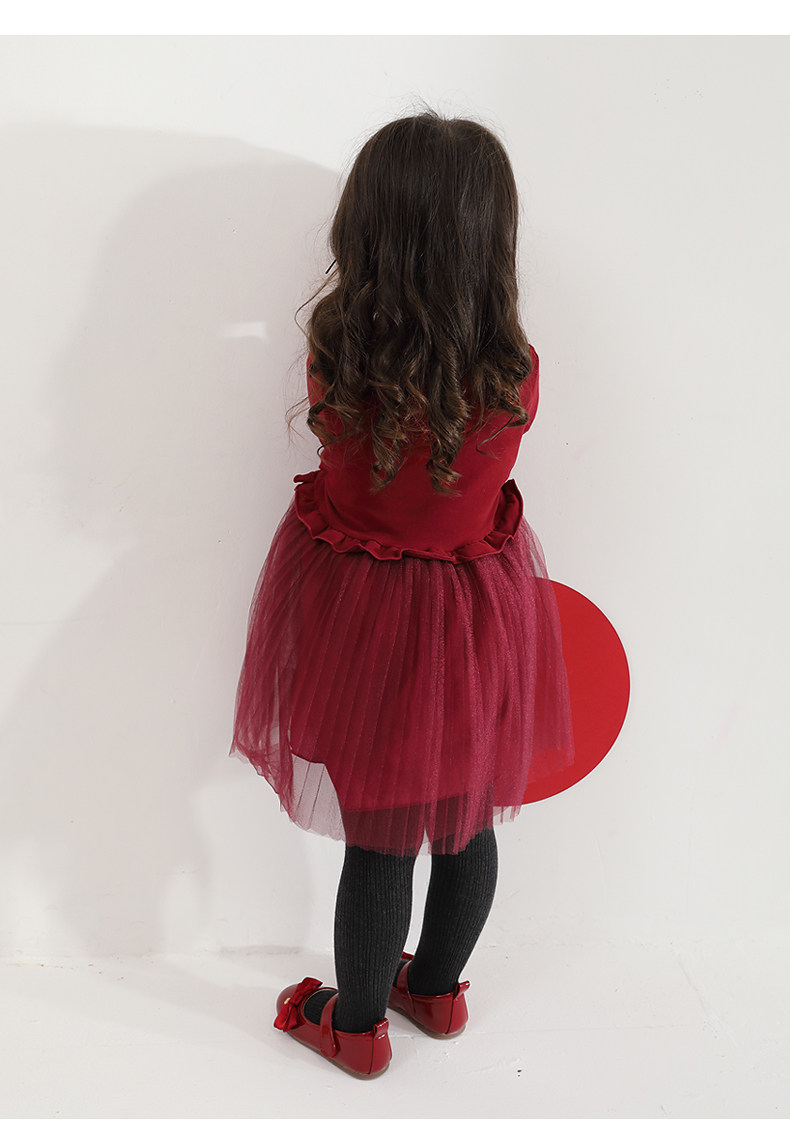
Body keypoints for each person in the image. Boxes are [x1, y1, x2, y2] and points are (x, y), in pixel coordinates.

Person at [227, 106, 575, 1079]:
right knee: (464, 818)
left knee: (381, 835)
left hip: (366, 617)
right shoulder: (514, 369)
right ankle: (439, 989)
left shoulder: (338, 352)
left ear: (367, 225)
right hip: (474, 617)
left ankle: (355, 1024)